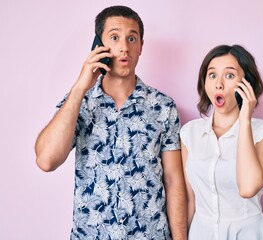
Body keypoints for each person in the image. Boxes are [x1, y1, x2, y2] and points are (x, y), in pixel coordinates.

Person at [35, 5, 187, 239]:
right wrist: (79, 88)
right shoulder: (79, 102)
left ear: (141, 47)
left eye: (132, 38)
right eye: (114, 37)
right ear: (99, 45)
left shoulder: (163, 107)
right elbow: (46, 160)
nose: (124, 47)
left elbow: (174, 180)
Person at [180, 44, 263, 239]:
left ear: (247, 84)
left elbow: (248, 188)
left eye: (229, 75)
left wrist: (245, 120)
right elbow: (190, 199)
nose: (219, 84)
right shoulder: (189, 133)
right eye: (212, 75)